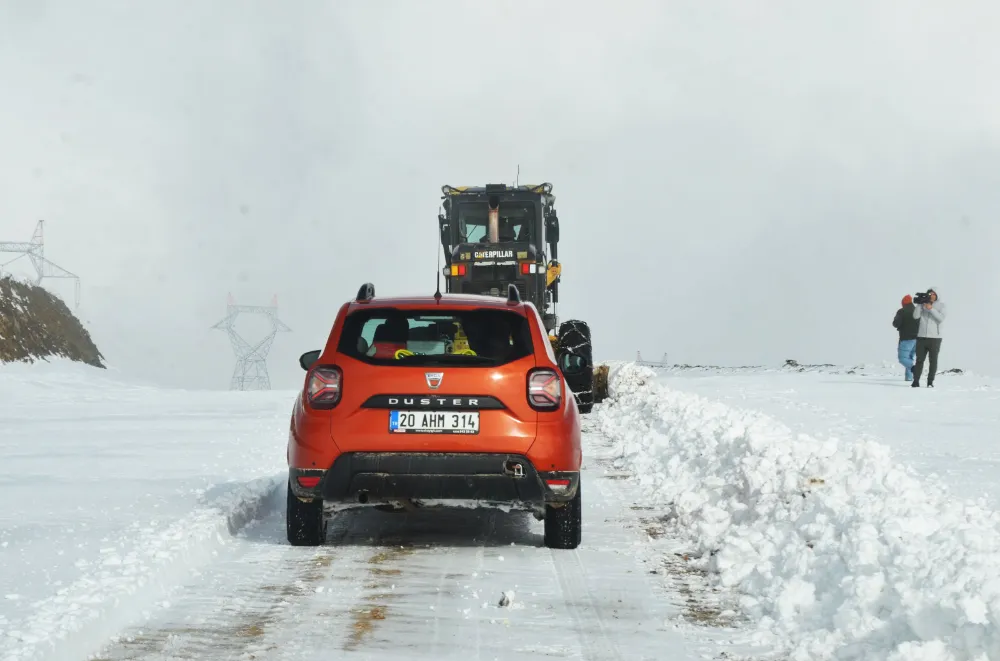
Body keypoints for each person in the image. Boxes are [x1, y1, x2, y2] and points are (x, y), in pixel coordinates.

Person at [911, 287, 946, 388]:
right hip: (921, 337)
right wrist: (919, 305)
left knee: (933, 361)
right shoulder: (922, 305)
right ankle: (916, 381)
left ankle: (930, 382)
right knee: (919, 360)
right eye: (930, 294)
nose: (931, 296)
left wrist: (931, 309)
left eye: (933, 294)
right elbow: (915, 316)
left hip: (935, 338)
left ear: (937, 295)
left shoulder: (941, 306)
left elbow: (941, 318)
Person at [892, 294, 919, 381]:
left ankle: (915, 369)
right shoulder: (917, 311)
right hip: (917, 339)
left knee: (902, 358)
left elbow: (895, 324)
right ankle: (909, 378)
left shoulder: (901, 311)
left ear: (903, 303)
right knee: (910, 357)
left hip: (906, 339)